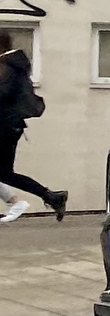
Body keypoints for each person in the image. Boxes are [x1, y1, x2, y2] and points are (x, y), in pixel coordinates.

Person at [0, 45, 67, 222]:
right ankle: (51, 197)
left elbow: (2, 94)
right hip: (9, 125)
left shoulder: (8, 68)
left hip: (5, 126)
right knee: (5, 174)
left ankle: (50, 196)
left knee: (4, 174)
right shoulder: (13, 67)